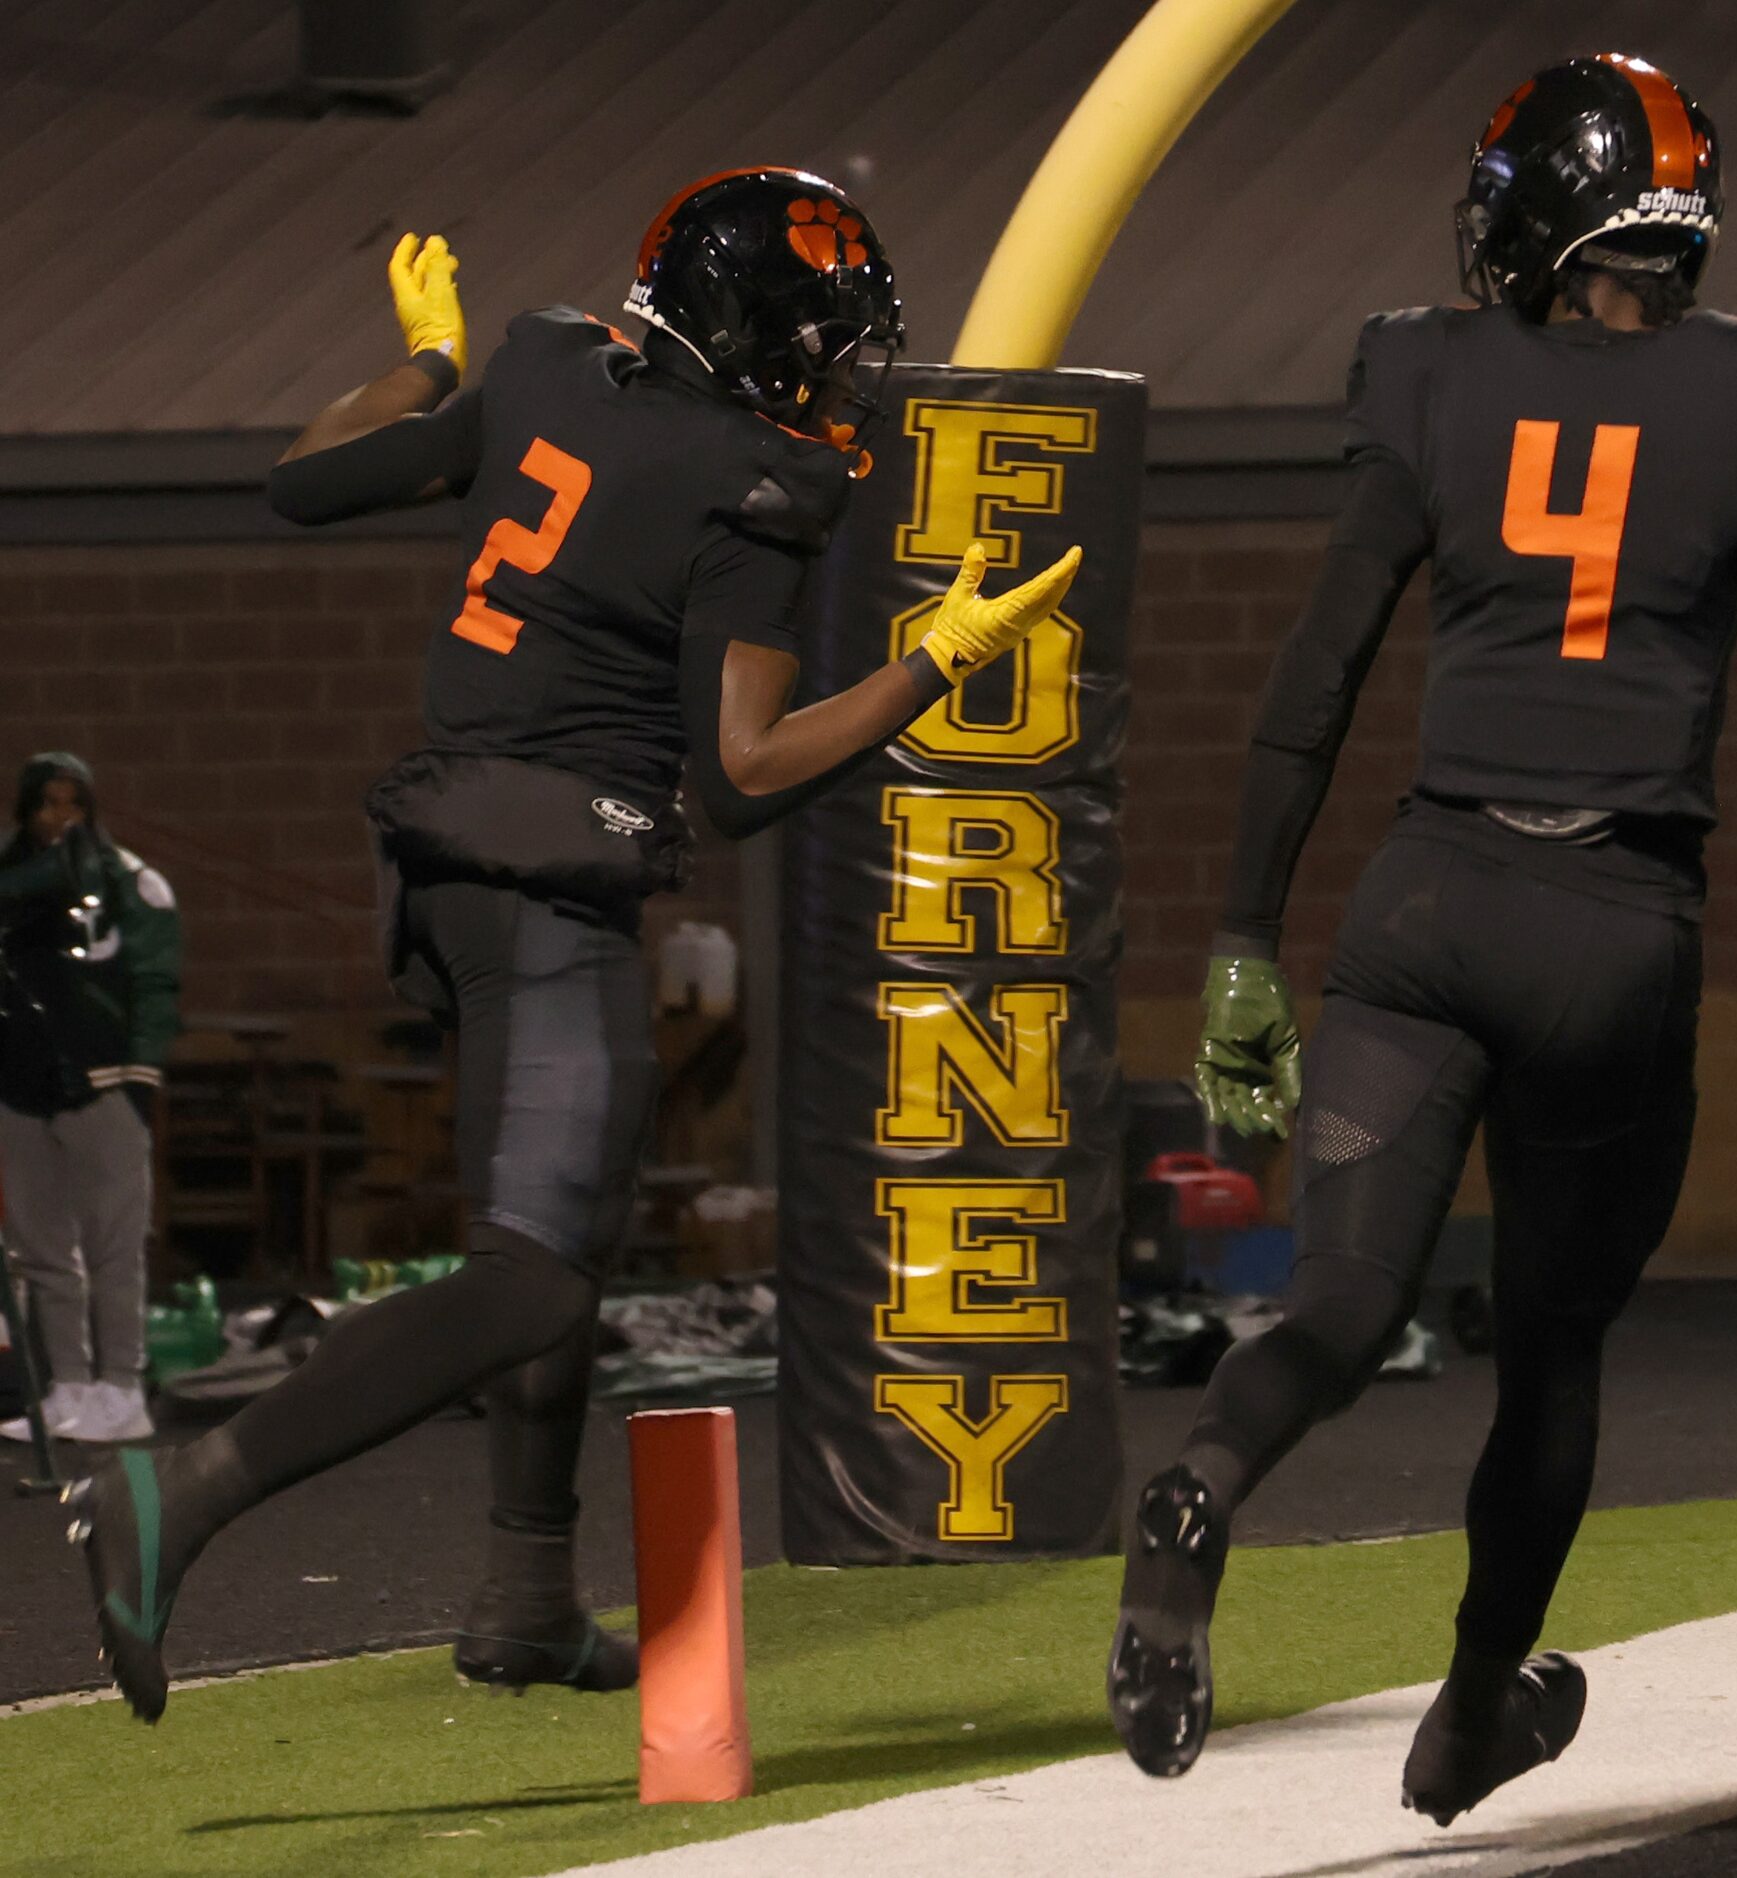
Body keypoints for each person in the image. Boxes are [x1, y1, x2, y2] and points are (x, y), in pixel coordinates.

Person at [1105, 54, 1737, 1826]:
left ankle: (1208, 1478)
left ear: (1534, 218)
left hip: (1422, 899)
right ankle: (1468, 1709)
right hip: (1611, 924)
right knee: (1550, 1351)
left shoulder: (1427, 368)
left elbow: (1320, 668)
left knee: (1337, 1303)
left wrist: (1241, 929)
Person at [67, 169, 1079, 1724]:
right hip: (553, 884)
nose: (832, 375)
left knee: (554, 1244)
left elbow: (305, 482)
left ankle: (528, 1598)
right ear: (747, 333)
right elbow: (742, 777)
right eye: (815, 342)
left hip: (449, 864)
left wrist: (423, 368)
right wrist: (924, 669)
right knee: (535, 1282)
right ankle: (178, 1494)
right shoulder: (755, 480)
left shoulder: (544, 360)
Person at [0, 753, 180, 1447]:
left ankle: (121, 1388)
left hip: (103, 1082)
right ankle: (70, 1386)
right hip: (21, 1089)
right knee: (40, 1250)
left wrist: (138, 1077)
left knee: (113, 1245)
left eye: (72, 803)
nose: (59, 818)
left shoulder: (130, 881)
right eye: (46, 803)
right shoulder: (11, 884)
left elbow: (156, 980)